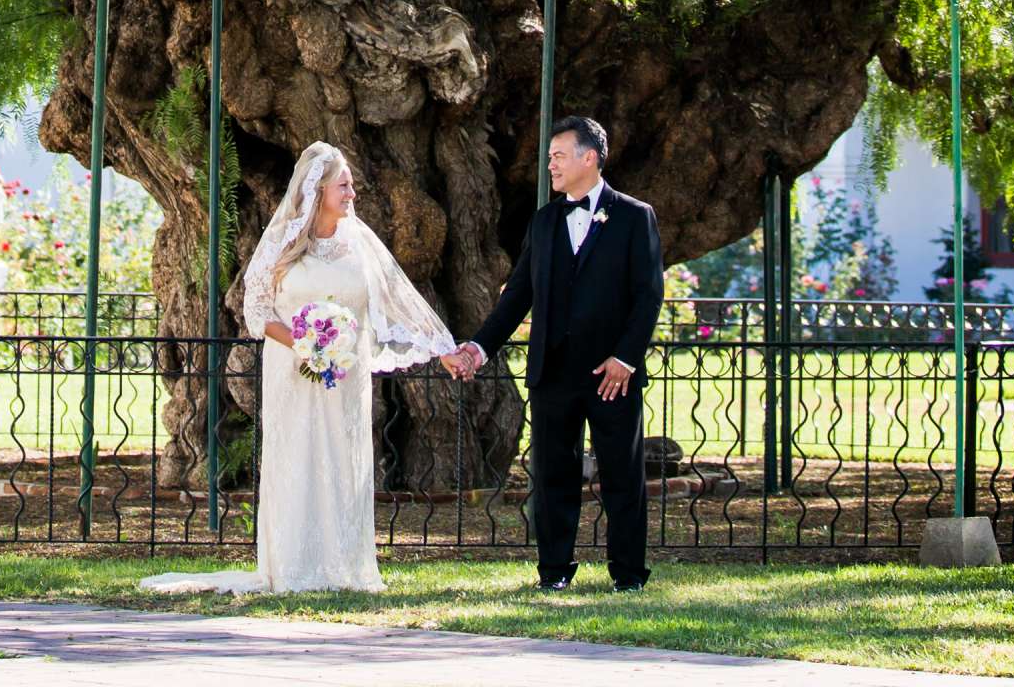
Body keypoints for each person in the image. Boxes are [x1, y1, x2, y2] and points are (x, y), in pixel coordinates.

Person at [140, 140, 468, 594]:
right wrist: (305, 344)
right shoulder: (282, 243)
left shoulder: (360, 243)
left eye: (351, 184)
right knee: (297, 460)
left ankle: (345, 567)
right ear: (317, 191)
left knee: (342, 462)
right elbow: (256, 311)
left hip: (345, 379)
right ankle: (292, 565)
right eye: (344, 185)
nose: (352, 193)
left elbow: (399, 301)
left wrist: (442, 349)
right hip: (292, 373)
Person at [453, 115, 663, 592]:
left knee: (621, 477)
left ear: (590, 157)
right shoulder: (545, 221)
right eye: (549, 156)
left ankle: (628, 575)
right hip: (552, 372)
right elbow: (517, 296)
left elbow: (649, 294)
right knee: (551, 476)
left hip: (613, 374)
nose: (550, 164)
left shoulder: (634, 216)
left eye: (559, 155)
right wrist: (480, 347)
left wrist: (626, 359)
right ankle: (554, 572)